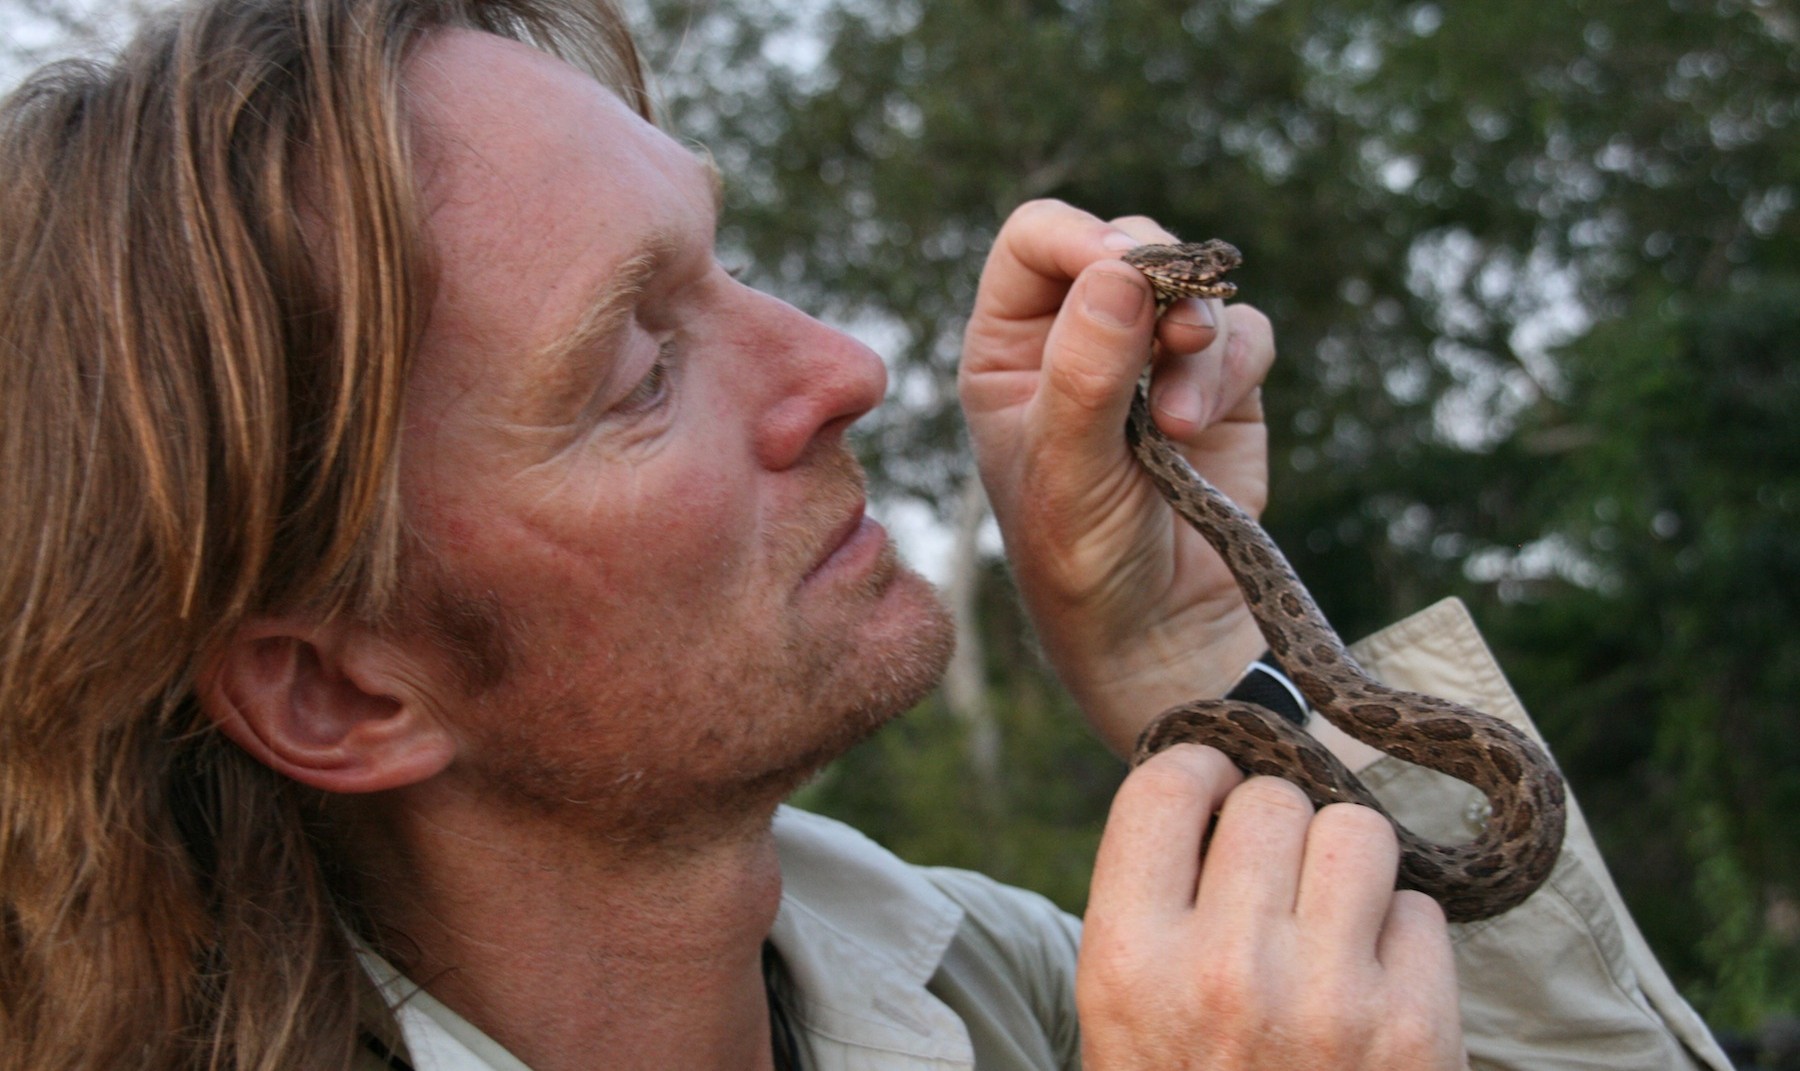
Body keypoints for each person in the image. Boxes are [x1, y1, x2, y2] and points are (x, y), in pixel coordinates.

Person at [0, 0, 1734, 1067]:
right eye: (638, 364)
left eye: (724, 263)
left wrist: (1198, 653)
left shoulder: (1002, 1001)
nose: (846, 369)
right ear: (338, 692)